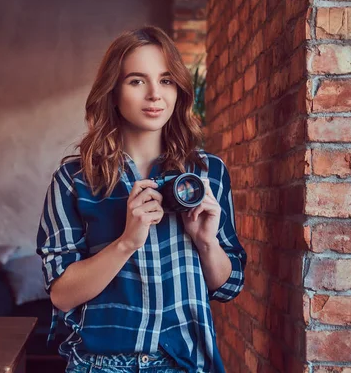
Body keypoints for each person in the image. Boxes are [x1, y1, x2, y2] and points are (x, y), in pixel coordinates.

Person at [36, 26, 246, 373]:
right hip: (101, 364)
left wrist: (206, 243)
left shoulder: (207, 173)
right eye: (136, 81)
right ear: (113, 92)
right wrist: (126, 242)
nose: (154, 95)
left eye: (165, 80)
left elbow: (228, 286)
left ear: (178, 90)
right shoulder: (75, 180)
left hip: (184, 362)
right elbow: (61, 293)